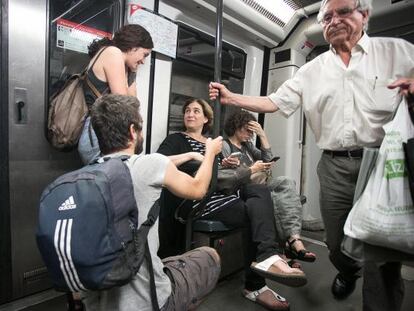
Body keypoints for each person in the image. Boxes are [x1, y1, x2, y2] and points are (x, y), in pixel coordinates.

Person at [209, 0, 414, 309]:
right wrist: (231, 96)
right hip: (333, 165)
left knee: (381, 251)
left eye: (343, 12)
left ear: (365, 15)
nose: (334, 21)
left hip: (382, 162)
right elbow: (274, 102)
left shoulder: (395, 53)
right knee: (336, 243)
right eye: (327, 16)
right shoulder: (312, 70)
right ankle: (348, 267)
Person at [157, 98, 306, 311]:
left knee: (260, 191)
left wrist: (222, 163)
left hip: (221, 190)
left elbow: (220, 174)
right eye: (187, 110)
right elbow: (158, 162)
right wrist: (194, 155)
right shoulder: (177, 139)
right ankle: (256, 284)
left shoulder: (212, 143)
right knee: (251, 213)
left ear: (206, 118)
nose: (190, 114)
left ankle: (268, 255)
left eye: (196, 111)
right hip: (199, 197)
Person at [80, 94, 222, 311]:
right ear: (132, 131)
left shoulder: (85, 175)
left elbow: (159, 162)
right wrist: (210, 153)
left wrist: (189, 154)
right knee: (209, 257)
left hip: (98, 299)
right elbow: (199, 188)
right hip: (147, 302)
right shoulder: (148, 166)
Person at [222, 109, 316, 262]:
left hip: (259, 186)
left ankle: (294, 238)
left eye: (252, 131)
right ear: (236, 126)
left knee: (286, 182)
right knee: (277, 199)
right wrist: (252, 169)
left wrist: (262, 134)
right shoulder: (224, 146)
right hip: (243, 189)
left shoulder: (247, 146)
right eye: (247, 129)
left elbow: (268, 159)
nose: (250, 134)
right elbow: (228, 176)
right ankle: (287, 250)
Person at [78, 24, 153, 165]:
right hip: (99, 135)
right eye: (144, 55)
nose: (143, 61)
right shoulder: (113, 53)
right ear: (134, 46)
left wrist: (132, 71)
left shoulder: (124, 65)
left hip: (106, 134)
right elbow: (125, 106)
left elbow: (133, 102)